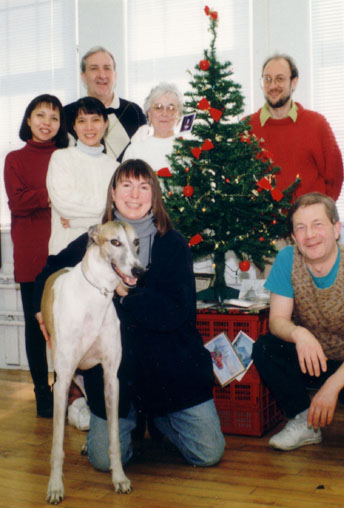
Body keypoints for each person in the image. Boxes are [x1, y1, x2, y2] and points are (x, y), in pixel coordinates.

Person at [34, 159, 225, 469]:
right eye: (126, 185)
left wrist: (127, 296)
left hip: (170, 375)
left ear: (154, 195)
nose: (135, 194)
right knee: (103, 461)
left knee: (208, 454)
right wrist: (43, 311)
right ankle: (130, 423)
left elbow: (177, 312)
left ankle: (160, 419)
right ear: (113, 193)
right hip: (118, 381)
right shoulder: (95, 241)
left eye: (143, 186)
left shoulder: (173, 244)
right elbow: (48, 271)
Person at [252, 193, 344, 453]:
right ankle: (304, 421)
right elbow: (277, 321)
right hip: (316, 355)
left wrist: (331, 388)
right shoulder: (287, 260)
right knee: (265, 348)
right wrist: (299, 334)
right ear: (293, 237)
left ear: (336, 229)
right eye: (301, 228)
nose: (310, 235)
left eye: (317, 225)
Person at [4, 94, 68, 418]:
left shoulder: (67, 157)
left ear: (60, 125)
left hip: (64, 250)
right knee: (35, 325)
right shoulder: (14, 158)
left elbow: (73, 199)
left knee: (66, 324)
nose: (47, 122)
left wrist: (41, 197)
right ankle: (42, 392)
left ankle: (67, 389)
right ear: (28, 120)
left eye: (54, 117)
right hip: (31, 251)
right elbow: (18, 203)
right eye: (40, 115)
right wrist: (52, 195)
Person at [247, 54, 343, 200]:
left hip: (308, 214)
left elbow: (335, 177)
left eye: (280, 79)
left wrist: (319, 211)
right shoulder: (246, 127)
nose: (272, 86)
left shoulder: (317, 124)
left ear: (294, 82)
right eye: (267, 79)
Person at [47, 96, 118, 256]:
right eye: (82, 121)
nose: (89, 127)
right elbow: (64, 203)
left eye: (95, 120)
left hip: (104, 254)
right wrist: (106, 206)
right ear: (74, 126)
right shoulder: (61, 158)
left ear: (106, 123)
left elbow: (116, 214)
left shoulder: (115, 168)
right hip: (65, 250)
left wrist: (77, 221)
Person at [64, 46, 146, 161]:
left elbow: (143, 155)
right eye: (94, 68)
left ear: (115, 75)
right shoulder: (67, 114)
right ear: (83, 77)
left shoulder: (134, 112)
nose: (102, 75)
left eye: (107, 68)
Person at [123, 83, 183, 171]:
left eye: (171, 108)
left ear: (179, 114)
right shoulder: (134, 151)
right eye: (158, 107)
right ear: (149, 114)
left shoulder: (188, 148)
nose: (164, 113)